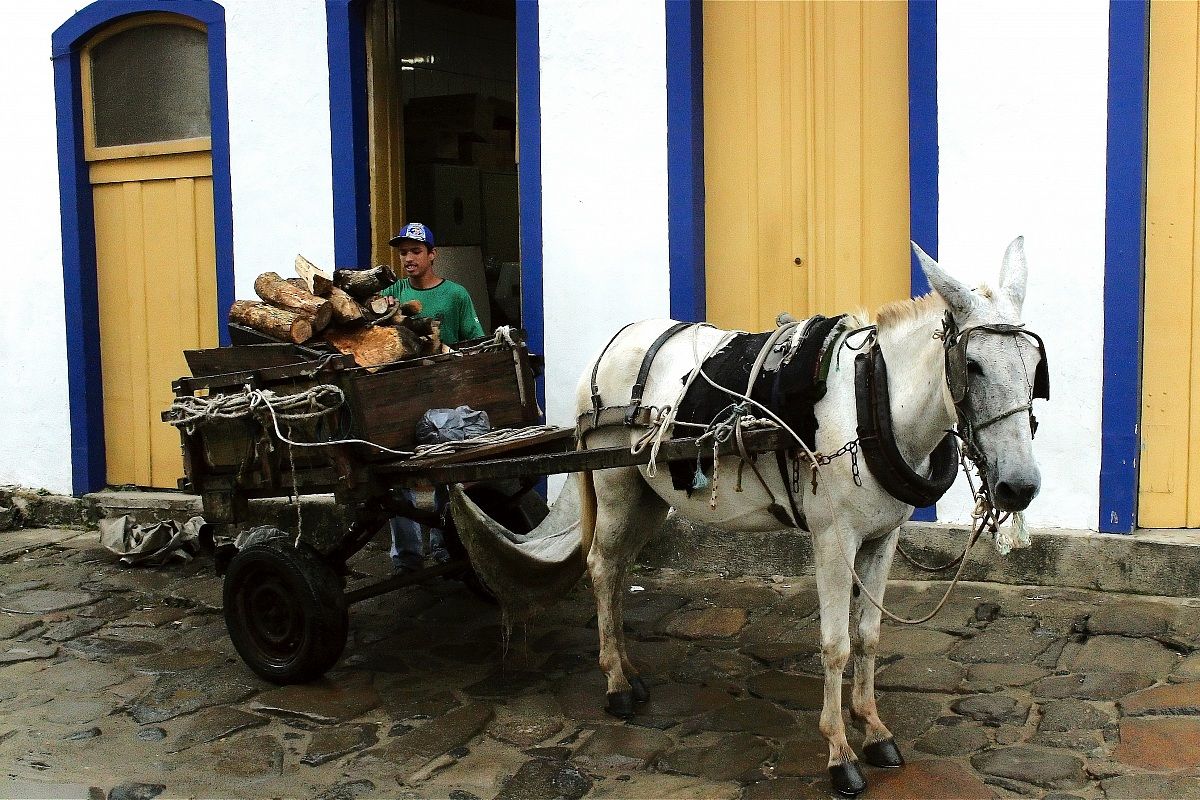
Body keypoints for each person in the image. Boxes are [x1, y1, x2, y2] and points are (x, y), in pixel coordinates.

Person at [381, 222, 485, 573]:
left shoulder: (455, 295)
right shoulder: (391, 294)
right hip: (401, 397)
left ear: (432, 254)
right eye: (403, 253)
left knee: (445, 472)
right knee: (396, 477)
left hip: (444, 396)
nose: (408, 259)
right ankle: (407, 557)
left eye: (415, 251)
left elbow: (474, 341)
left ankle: (445, 548)